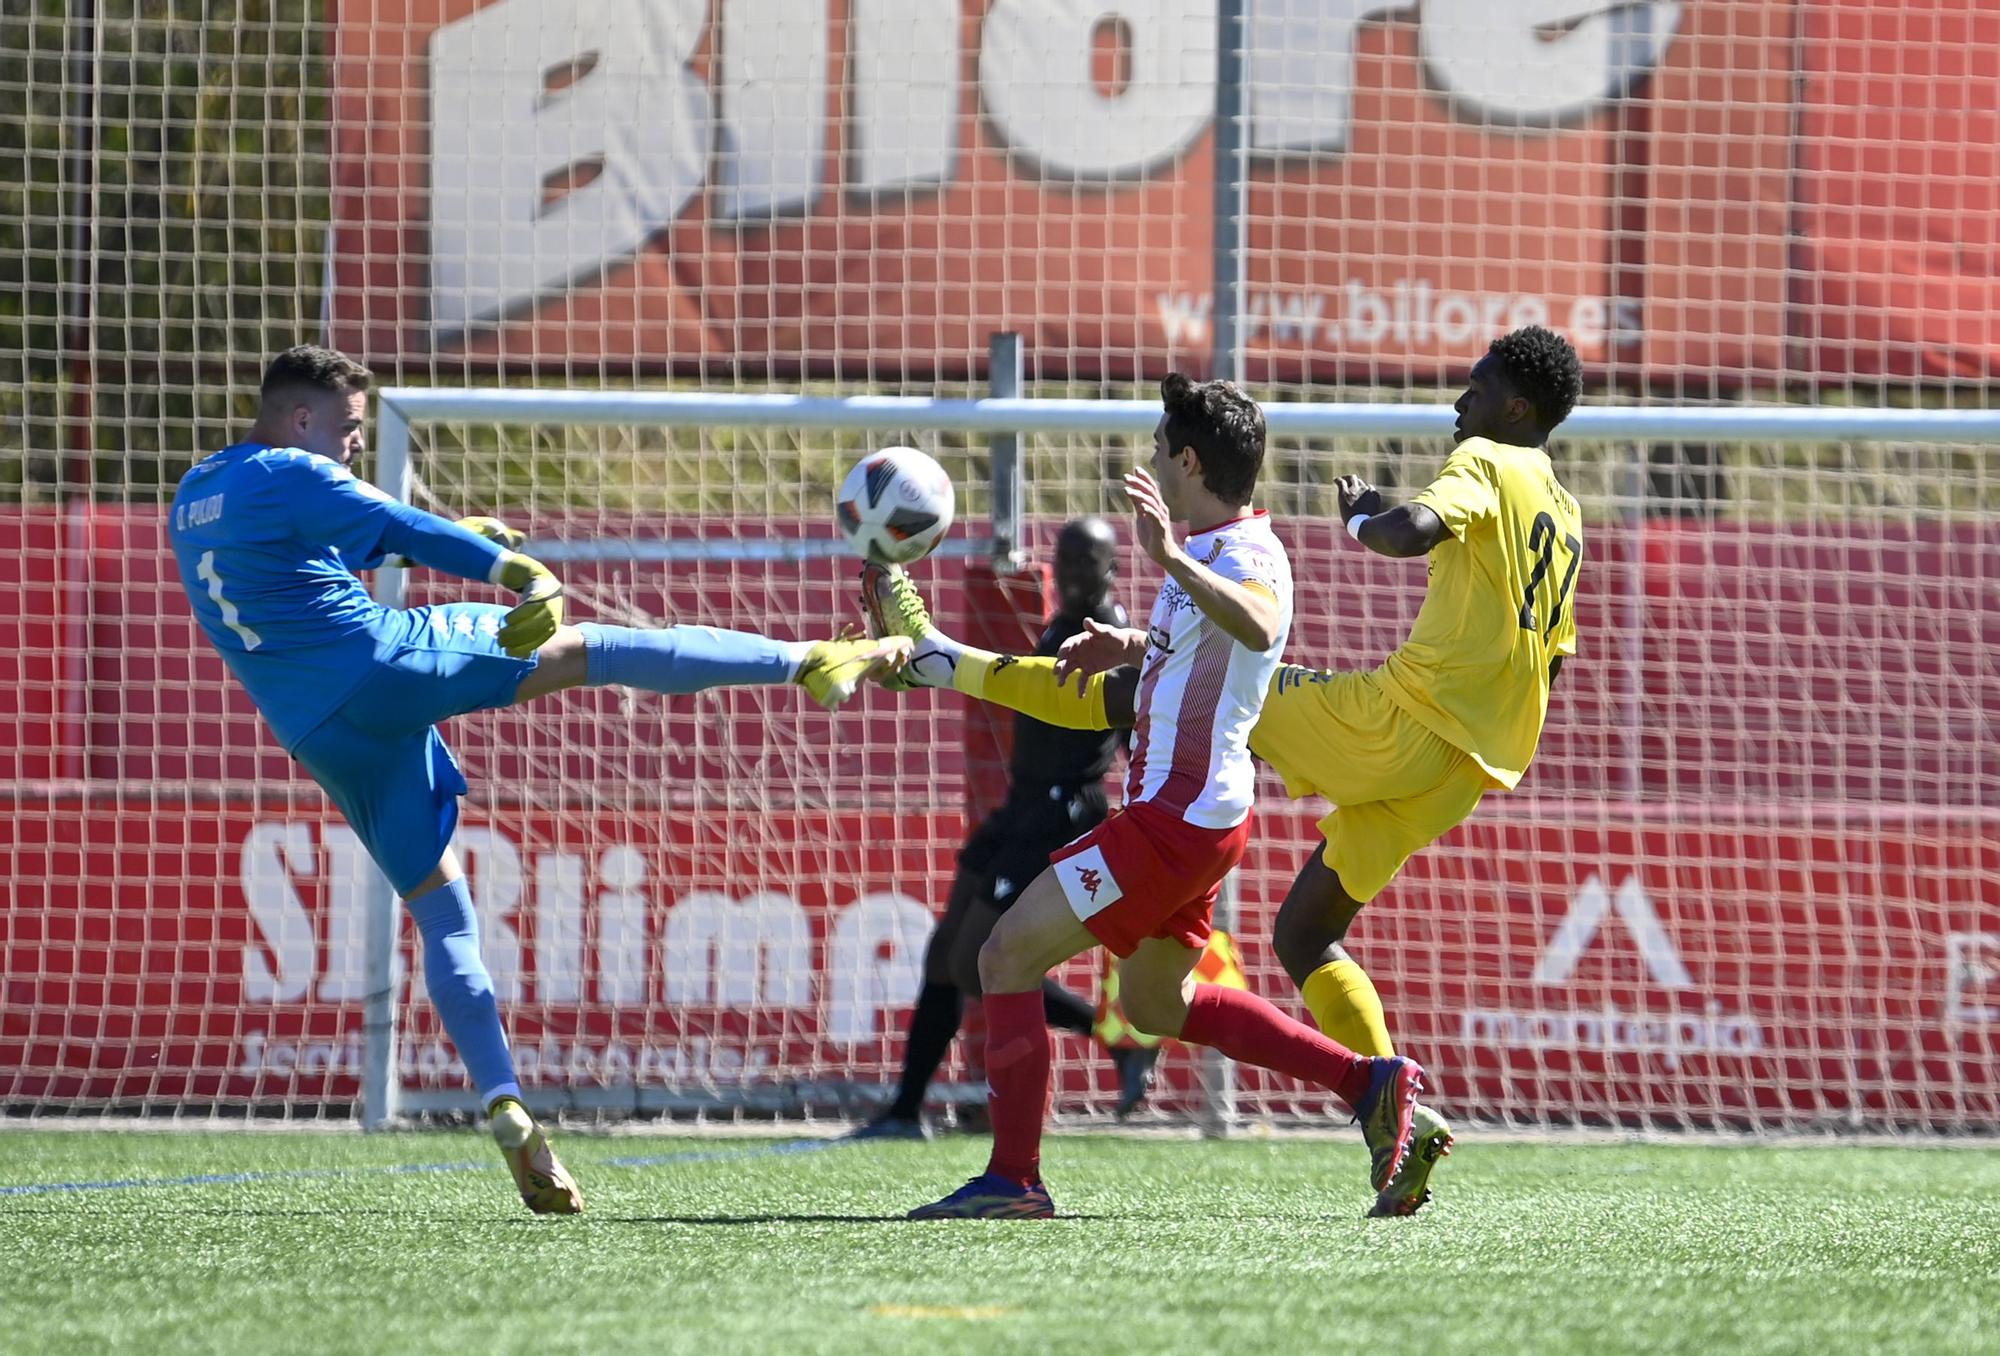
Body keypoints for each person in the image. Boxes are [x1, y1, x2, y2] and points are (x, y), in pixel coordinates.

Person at [862, 326, 1585, 1218]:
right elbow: (1551, 656)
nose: (1458, 403)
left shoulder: (1245, 552)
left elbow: (1266, 616)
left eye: (1161, 450)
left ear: (1191, 462)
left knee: (1002, 953)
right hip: (1468, 762)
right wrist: (1141, 638)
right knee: (1196, 984)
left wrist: (1355, 518)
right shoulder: (1560, 510)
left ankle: (1014, 1179)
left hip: (1252, 785)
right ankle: (1374, 1086)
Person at [168, 345, 907, 1215]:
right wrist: (514, 570)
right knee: (597, 649)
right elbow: (397, 527)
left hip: (320, 732)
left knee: (442, 909)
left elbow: (307, 566)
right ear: (301, 420)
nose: (356, 446)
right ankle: (806, 661)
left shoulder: (196, 494)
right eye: (350, 429)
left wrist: (468, 539)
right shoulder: (294, 468)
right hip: (381, 664)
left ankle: (503, 1101)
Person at [854, 517, 1154, 1140]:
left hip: (1061, 812)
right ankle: (905, 1112)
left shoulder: (1118, 642)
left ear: (1111, 570)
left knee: (974, 963)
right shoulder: (1060, 625)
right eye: (1064, 560)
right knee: (943, 955)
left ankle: (1113, 1036)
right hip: (1018, 806)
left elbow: (1137, 733)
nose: (1071, 574)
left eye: (1085, 563)